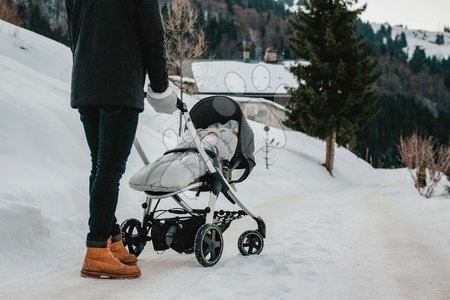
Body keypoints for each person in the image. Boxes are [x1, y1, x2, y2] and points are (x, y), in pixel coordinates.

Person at [65, 0, 177, 279]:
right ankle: (96, 250)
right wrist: (161, 87)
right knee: (109, 169)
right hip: (118, 84)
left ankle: (111, 239)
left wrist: (86, 67)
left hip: (85, 82)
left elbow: (73, 32)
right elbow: (153, 37)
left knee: (100, 166)